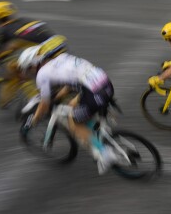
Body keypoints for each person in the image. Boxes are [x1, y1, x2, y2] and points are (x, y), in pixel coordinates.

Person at [18, 35, 118, 175]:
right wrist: (57, 97)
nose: (30, 72)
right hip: (105, 83)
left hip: (94, 92)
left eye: (29, 69)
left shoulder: (42, 74)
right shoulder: (60, 59)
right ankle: (101, 122)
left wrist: (33, 121)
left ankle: (105, 153)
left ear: (34, 64)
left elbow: (44, 105)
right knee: (73, 104)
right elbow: (70, 85)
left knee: (74, 122)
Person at [0, 1, 54, 107]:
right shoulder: (24, 21)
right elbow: (23, 41)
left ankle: (36, 97)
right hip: (57, 47)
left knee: (16, 70)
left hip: (44, 54)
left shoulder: (3, 32)